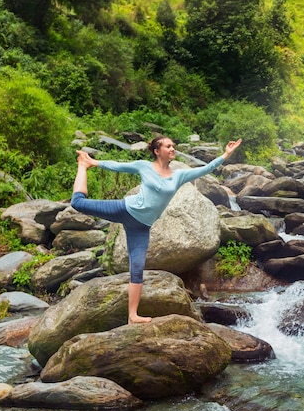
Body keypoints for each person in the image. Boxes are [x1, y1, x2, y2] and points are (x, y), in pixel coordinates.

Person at [71, 136, 242, 324]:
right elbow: (118, 165)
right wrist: (92, 162)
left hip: (142, 227)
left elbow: (205, 169)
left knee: (137, 269)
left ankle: (132, 316)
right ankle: (82, 166)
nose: (172, 148)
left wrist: (225, 154)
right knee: (78, 203)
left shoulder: (178, 176)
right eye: (168, 146)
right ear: (157, 151)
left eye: (173, 145)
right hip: (124, 209)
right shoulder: (144, 166)